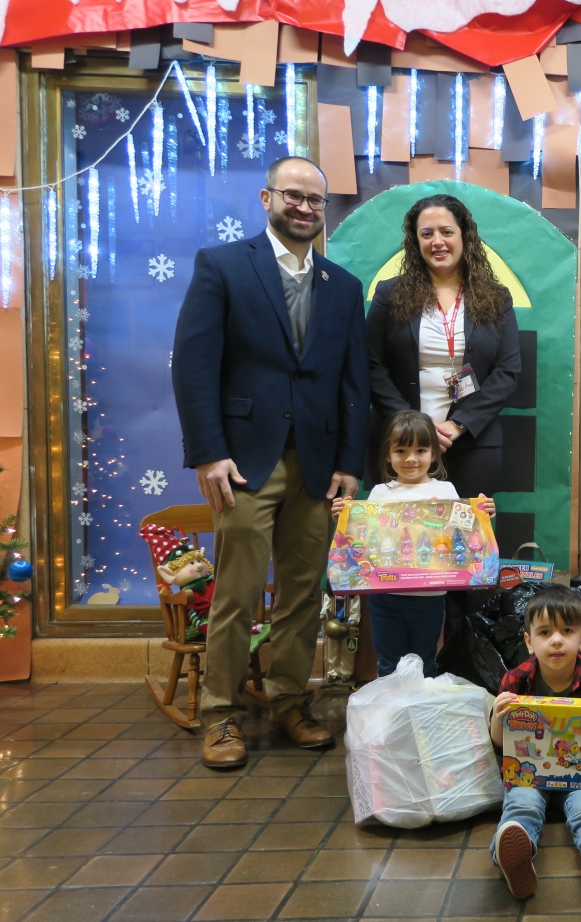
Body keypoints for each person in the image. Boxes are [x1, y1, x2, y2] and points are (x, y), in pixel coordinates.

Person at [172, 155, 370, 769]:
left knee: (303, 593)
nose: (305, 208)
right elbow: (193, 364)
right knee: (235, 592)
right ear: (267, 198)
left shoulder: (343, 286)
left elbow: (351, 381)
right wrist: (207, 452)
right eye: (294, 196)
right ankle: (221, 715)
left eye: (316, 200)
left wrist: (349, 462)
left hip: (316, 464)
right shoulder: (224, 266)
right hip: (243, 464)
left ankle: (288, 701)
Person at [365, 194, 522, 650]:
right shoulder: (391, 294)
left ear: (464, 236)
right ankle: (411, 666)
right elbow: (371, 364)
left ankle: (467, 666)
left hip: (472, 446)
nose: (437, 241)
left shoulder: (495, 297)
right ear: (415, 242)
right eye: (426, 233)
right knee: (410, 559)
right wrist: (416, 428)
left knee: (464, 564)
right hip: (406, 450)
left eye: (446, 231)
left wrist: (459, 424)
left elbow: (508, 371)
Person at [488, 586, 581, 899]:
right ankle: (515, 848)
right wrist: (498, 720)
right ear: (529, 642)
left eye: (566, 630)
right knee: (521, 804)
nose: (556, 640)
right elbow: (501, 746)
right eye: (544, 632)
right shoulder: (514, 682)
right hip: (529, 775)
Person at [331, 410, 496, 678]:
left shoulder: (446, 492)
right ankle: (392, 718)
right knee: (388, 665)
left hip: (429, 598)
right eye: (401, 450)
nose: (410, 459)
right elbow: (359, 539)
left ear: (434, 454)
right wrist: (343, 518)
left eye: (420, 450)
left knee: (426, 663)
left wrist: (484, 513)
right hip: (384, 597)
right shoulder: (379, 493)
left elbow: (466, 533)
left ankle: (421, 718)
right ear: (388, 454)